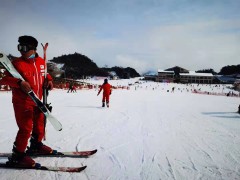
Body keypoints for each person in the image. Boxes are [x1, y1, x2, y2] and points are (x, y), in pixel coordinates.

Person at [0, 35, 54, 167]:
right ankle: (18, 155)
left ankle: (36, 145)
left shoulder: (41, 62)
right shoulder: (16, 64)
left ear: (33, 49)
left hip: (37, 100)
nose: (21, 51)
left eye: (23, 48)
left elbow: (44, 73)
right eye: (19, 47)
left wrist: (50, 79)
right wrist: (19, 82)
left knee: (39, 124)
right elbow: (4, 80)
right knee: (25, 128)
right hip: (22, 101)